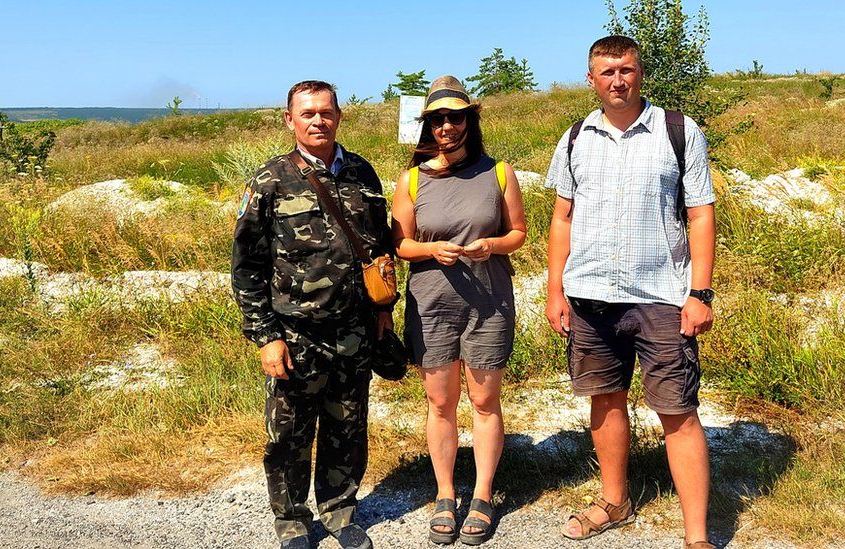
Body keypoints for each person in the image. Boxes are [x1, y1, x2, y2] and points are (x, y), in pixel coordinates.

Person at [544, 36, 717, 548]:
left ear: (641, 73)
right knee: (605, 398)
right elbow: (562, 217)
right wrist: (555, 291)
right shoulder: (575, 137)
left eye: (626, 69)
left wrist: (700, 293)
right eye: (606, 72)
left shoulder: (677, 131)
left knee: (678, 409)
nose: (617, 79)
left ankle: (696, 536)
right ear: (591, 79)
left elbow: (700, 213)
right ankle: (615, 500)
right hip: (591, 293)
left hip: (661, 294)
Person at [232, 80, 394, 549]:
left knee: (347, 425)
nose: (317, 120)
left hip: (355, 329)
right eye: (307, 113)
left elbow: (379, 248)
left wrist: (383, 311)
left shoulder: (363, 173)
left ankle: (341, 510)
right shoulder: (269, 180)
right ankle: (292, 520)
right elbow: (247, 266)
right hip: (294, 333)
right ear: (289, 119)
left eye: (325, 111)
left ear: (339, 115)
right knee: (289, 433)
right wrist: (265, 336)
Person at [391, 75, 526, 545]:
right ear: (427, 125)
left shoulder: (499, 172)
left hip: (488, 304)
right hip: (432, 306)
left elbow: (519, 233)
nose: (447, 126)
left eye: (456, 116)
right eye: (438, 118)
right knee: (441, 403)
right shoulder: (411, 179)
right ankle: (446, 494)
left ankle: (483, 495)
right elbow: (400, 244)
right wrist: (433, 251)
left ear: (470, 119)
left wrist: (492, 244)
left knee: (485, 402)